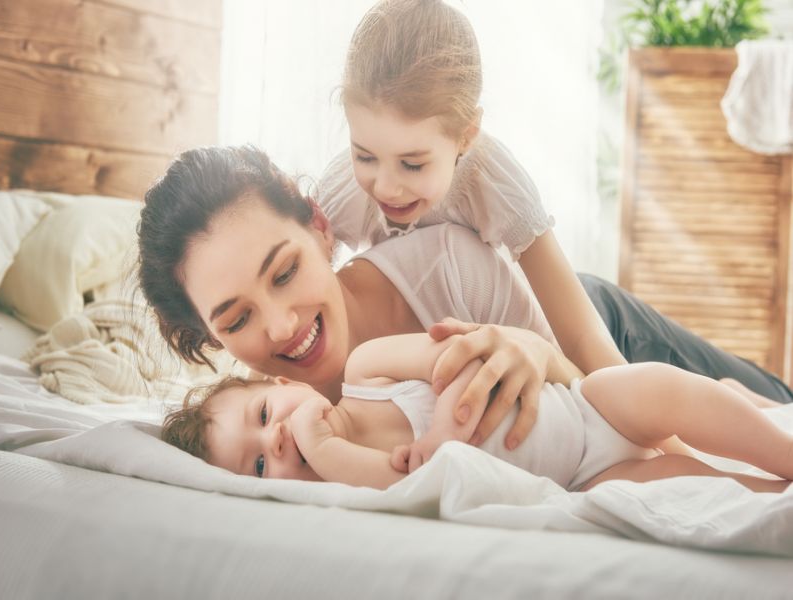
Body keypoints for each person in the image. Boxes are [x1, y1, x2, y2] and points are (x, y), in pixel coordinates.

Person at [136, 145, 791, 457]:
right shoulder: (267, 424)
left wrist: (533, 349)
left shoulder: (446, 264)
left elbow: (607, 399)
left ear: (316, 226)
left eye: (283, 273)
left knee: (770, 410)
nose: (281, 326)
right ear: (208, 336)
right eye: (237, 319)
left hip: (588, 334)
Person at [317, 0, 793, 406]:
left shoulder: (492, 177)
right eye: (365, 156)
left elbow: (585, 340)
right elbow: (302, 297)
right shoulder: (345, 190)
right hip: (532, 346)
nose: (386, 187)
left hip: (595, 324)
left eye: (413, 165)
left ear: (466, 136)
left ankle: (749, 393)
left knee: (752, 401)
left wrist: (658, 436)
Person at [161, 332, 792, 493]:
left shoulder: (365, 372)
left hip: (588, 410)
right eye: (259, 468)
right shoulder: (349, 481)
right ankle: (766, 490)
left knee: (665, 389)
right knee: (694, 491)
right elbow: (409, 485)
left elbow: (462, 354)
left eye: (265, 413)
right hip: (584, 479)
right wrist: (325, 453)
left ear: (280, 382)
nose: (277, 440)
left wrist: (442, 430)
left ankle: (781, 451)